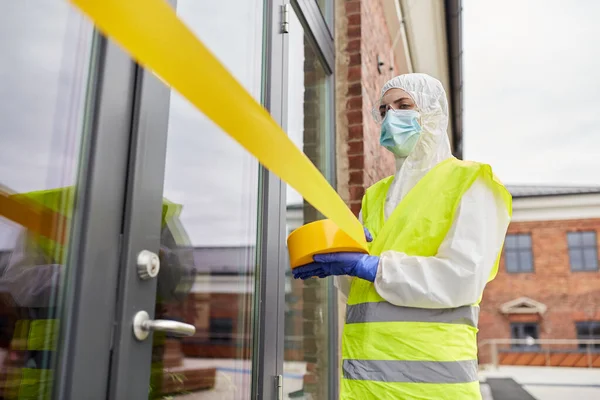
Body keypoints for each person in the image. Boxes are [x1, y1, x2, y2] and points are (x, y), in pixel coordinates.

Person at [292, 73, 512, 399]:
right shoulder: (375, 196)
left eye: (403, 105)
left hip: (434, 386)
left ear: (432, 113)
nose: (391, 116)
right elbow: (363, 289)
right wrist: (343, 263)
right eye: (383, 110)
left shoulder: (471, 182)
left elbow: (462, 278)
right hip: (367, 384)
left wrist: (371, 266)